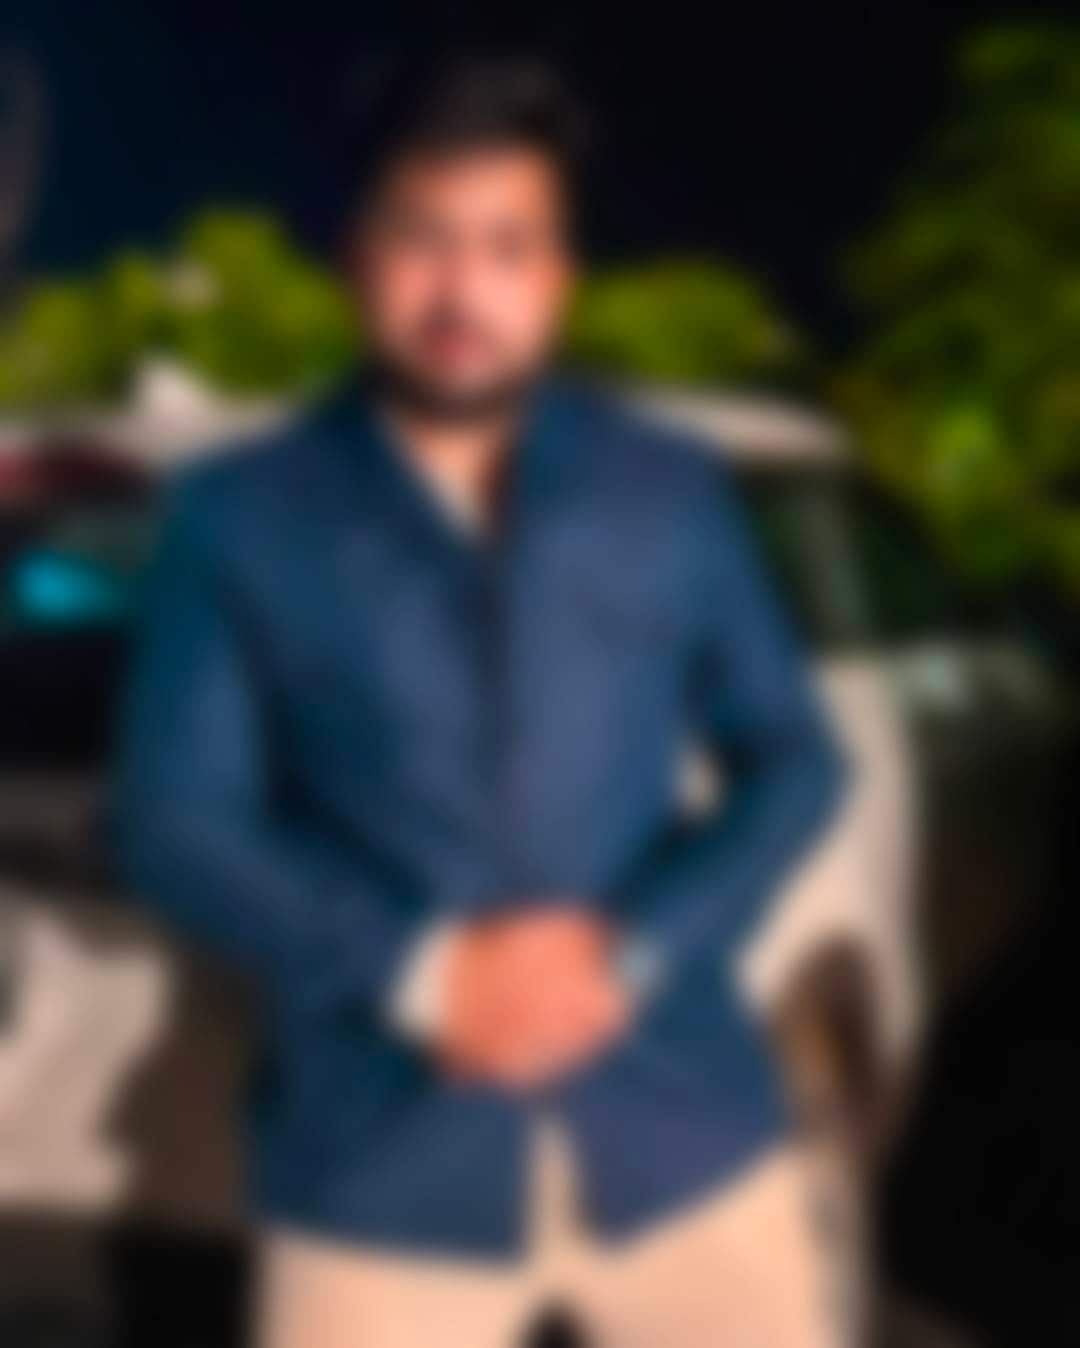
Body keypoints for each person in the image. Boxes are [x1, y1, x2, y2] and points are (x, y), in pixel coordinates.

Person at [115, 49, 852, 1347]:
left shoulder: (667, 489)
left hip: (685, 1135)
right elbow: (174, 823)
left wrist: (633, 955)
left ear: (559, 277)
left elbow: (794, 757)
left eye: (509, 247)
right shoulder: (237, 518)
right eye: (423, 239)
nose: (464, 290)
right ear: (356, 256)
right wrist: (423, 974)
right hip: (380, 1162)